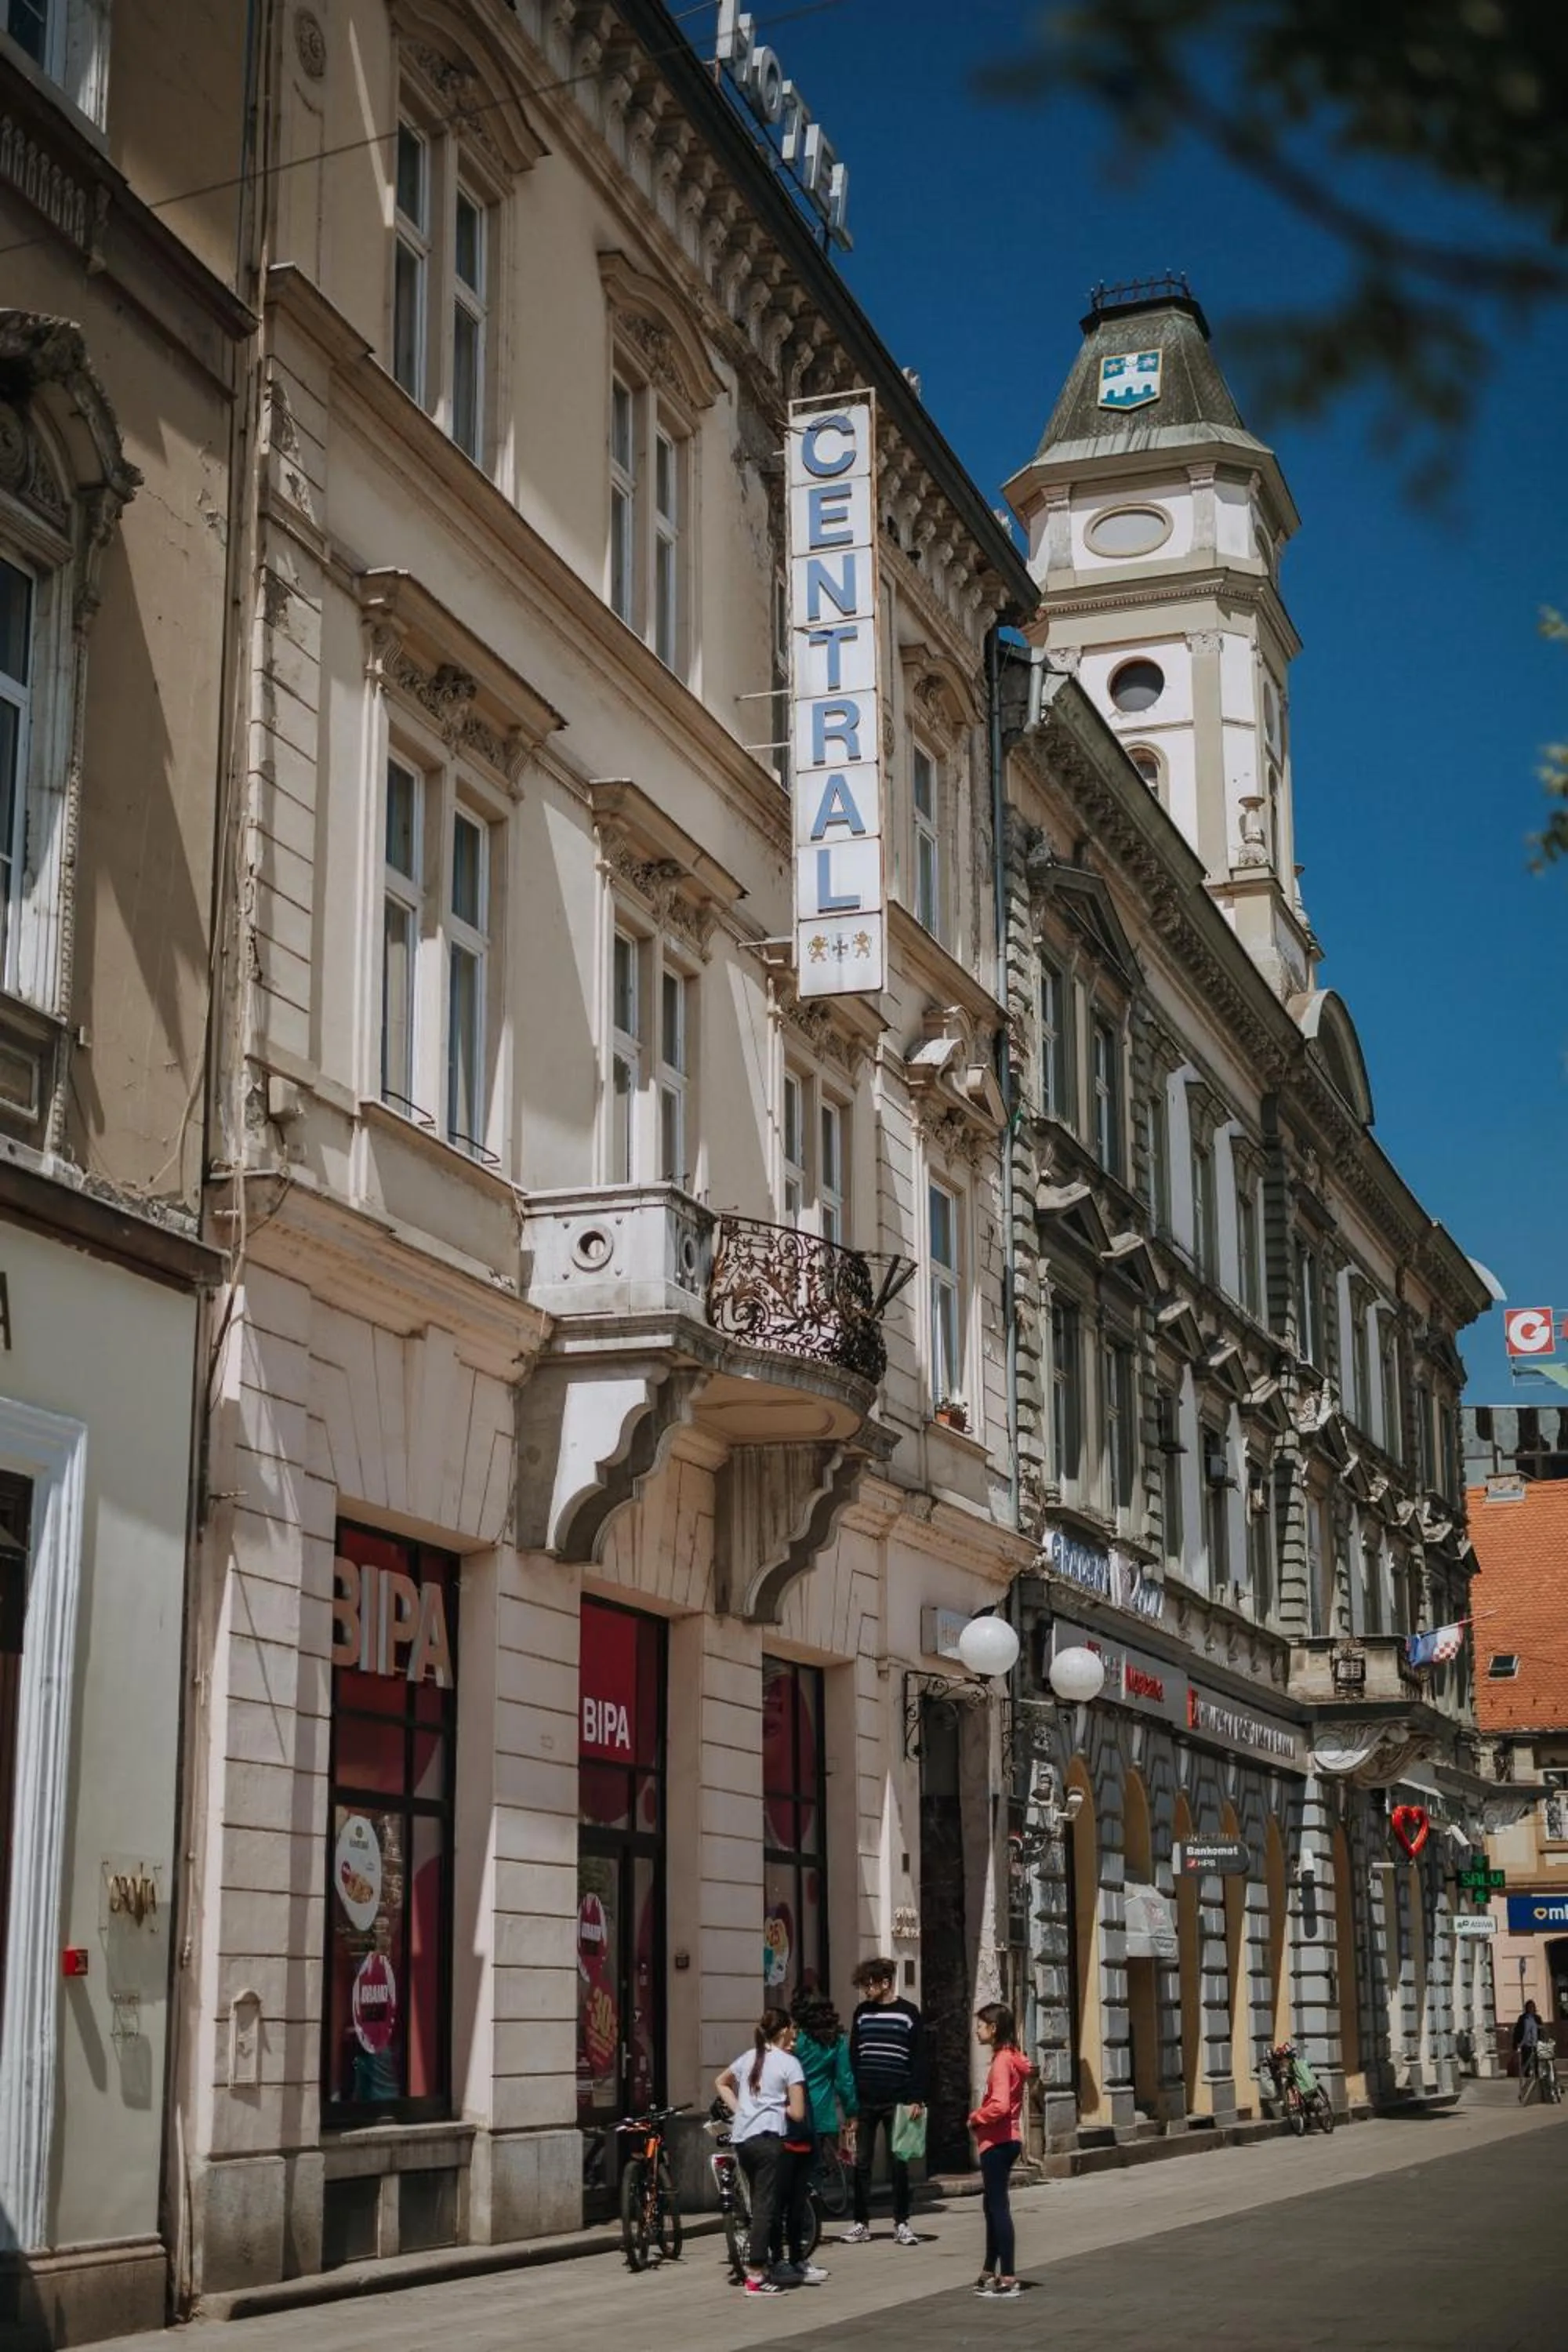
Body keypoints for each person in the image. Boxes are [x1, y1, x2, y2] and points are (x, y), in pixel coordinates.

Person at [715, 2007, 826, 2294]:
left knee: (758, 2201)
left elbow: (721, 2081)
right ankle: (755, 2275)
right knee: (766, 2207)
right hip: (769, 2139)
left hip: (743, 2139)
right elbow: (799, 2113)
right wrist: (780, 2106)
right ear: (785, 2031)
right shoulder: (789, 2063)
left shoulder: (749, 2057)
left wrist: (741, 2109)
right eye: (792, 2029)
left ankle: (763, 2266)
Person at [839, 1957, 925, 2246]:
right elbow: (854, 2055)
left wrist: (916, 2097)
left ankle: (902, 2222)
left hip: (898, 2100)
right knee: (861, 2163)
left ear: (886, 1983)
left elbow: (918, 2058)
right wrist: (852, 2101)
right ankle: (861, 2223)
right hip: (866, 2100)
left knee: (898, 2162)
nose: (865, 1990)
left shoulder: (909, 2013)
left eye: (869, 1985)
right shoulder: (862, 2013)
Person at [969, 2002, 1033, 2299]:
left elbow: (1001, 2105)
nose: (977, 2031)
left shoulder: (1001, 2062)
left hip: (997, 2140)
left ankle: (1007, 2277)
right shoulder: (1012, 2058)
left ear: (993, 2029)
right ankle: (988, 2269)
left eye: (981, 2026)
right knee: (991, 2206)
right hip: (1007, 2139)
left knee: (998, 2208)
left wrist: (975, 2117)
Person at [791, 1988, 858, 2152]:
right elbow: (844, 2081)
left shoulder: (795, 2040)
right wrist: (852, 2112)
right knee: (826, 2170)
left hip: (794, 2113)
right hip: (825, 2115)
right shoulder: (837, 2041)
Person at [1514, 1998, 1542, 2082]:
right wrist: (1517, 2042)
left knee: (1536, 2058)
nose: (1531, 2009)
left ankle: (1536, 2073)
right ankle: (1526, 2073)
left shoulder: (1537, 2018)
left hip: (1535, 2041)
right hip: (1525, 2042)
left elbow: (1541, 2029)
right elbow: (1518, 2030)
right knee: (1526, 2058)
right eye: (1529, 2007)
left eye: (1532, 2007)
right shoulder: (1523, 2018)